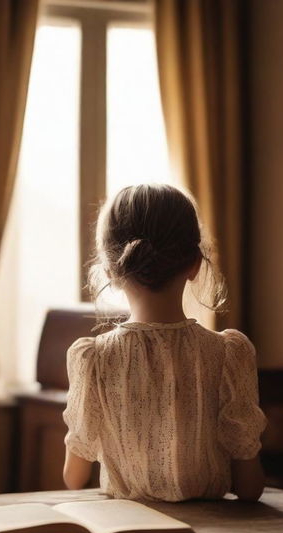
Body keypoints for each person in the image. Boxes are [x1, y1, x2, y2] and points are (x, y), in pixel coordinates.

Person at [62, 183, 266, 502]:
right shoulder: (228, 353)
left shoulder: (94, 359)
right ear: (195, 265)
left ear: (111, 271)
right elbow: (250, 488)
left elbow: (74, 478)